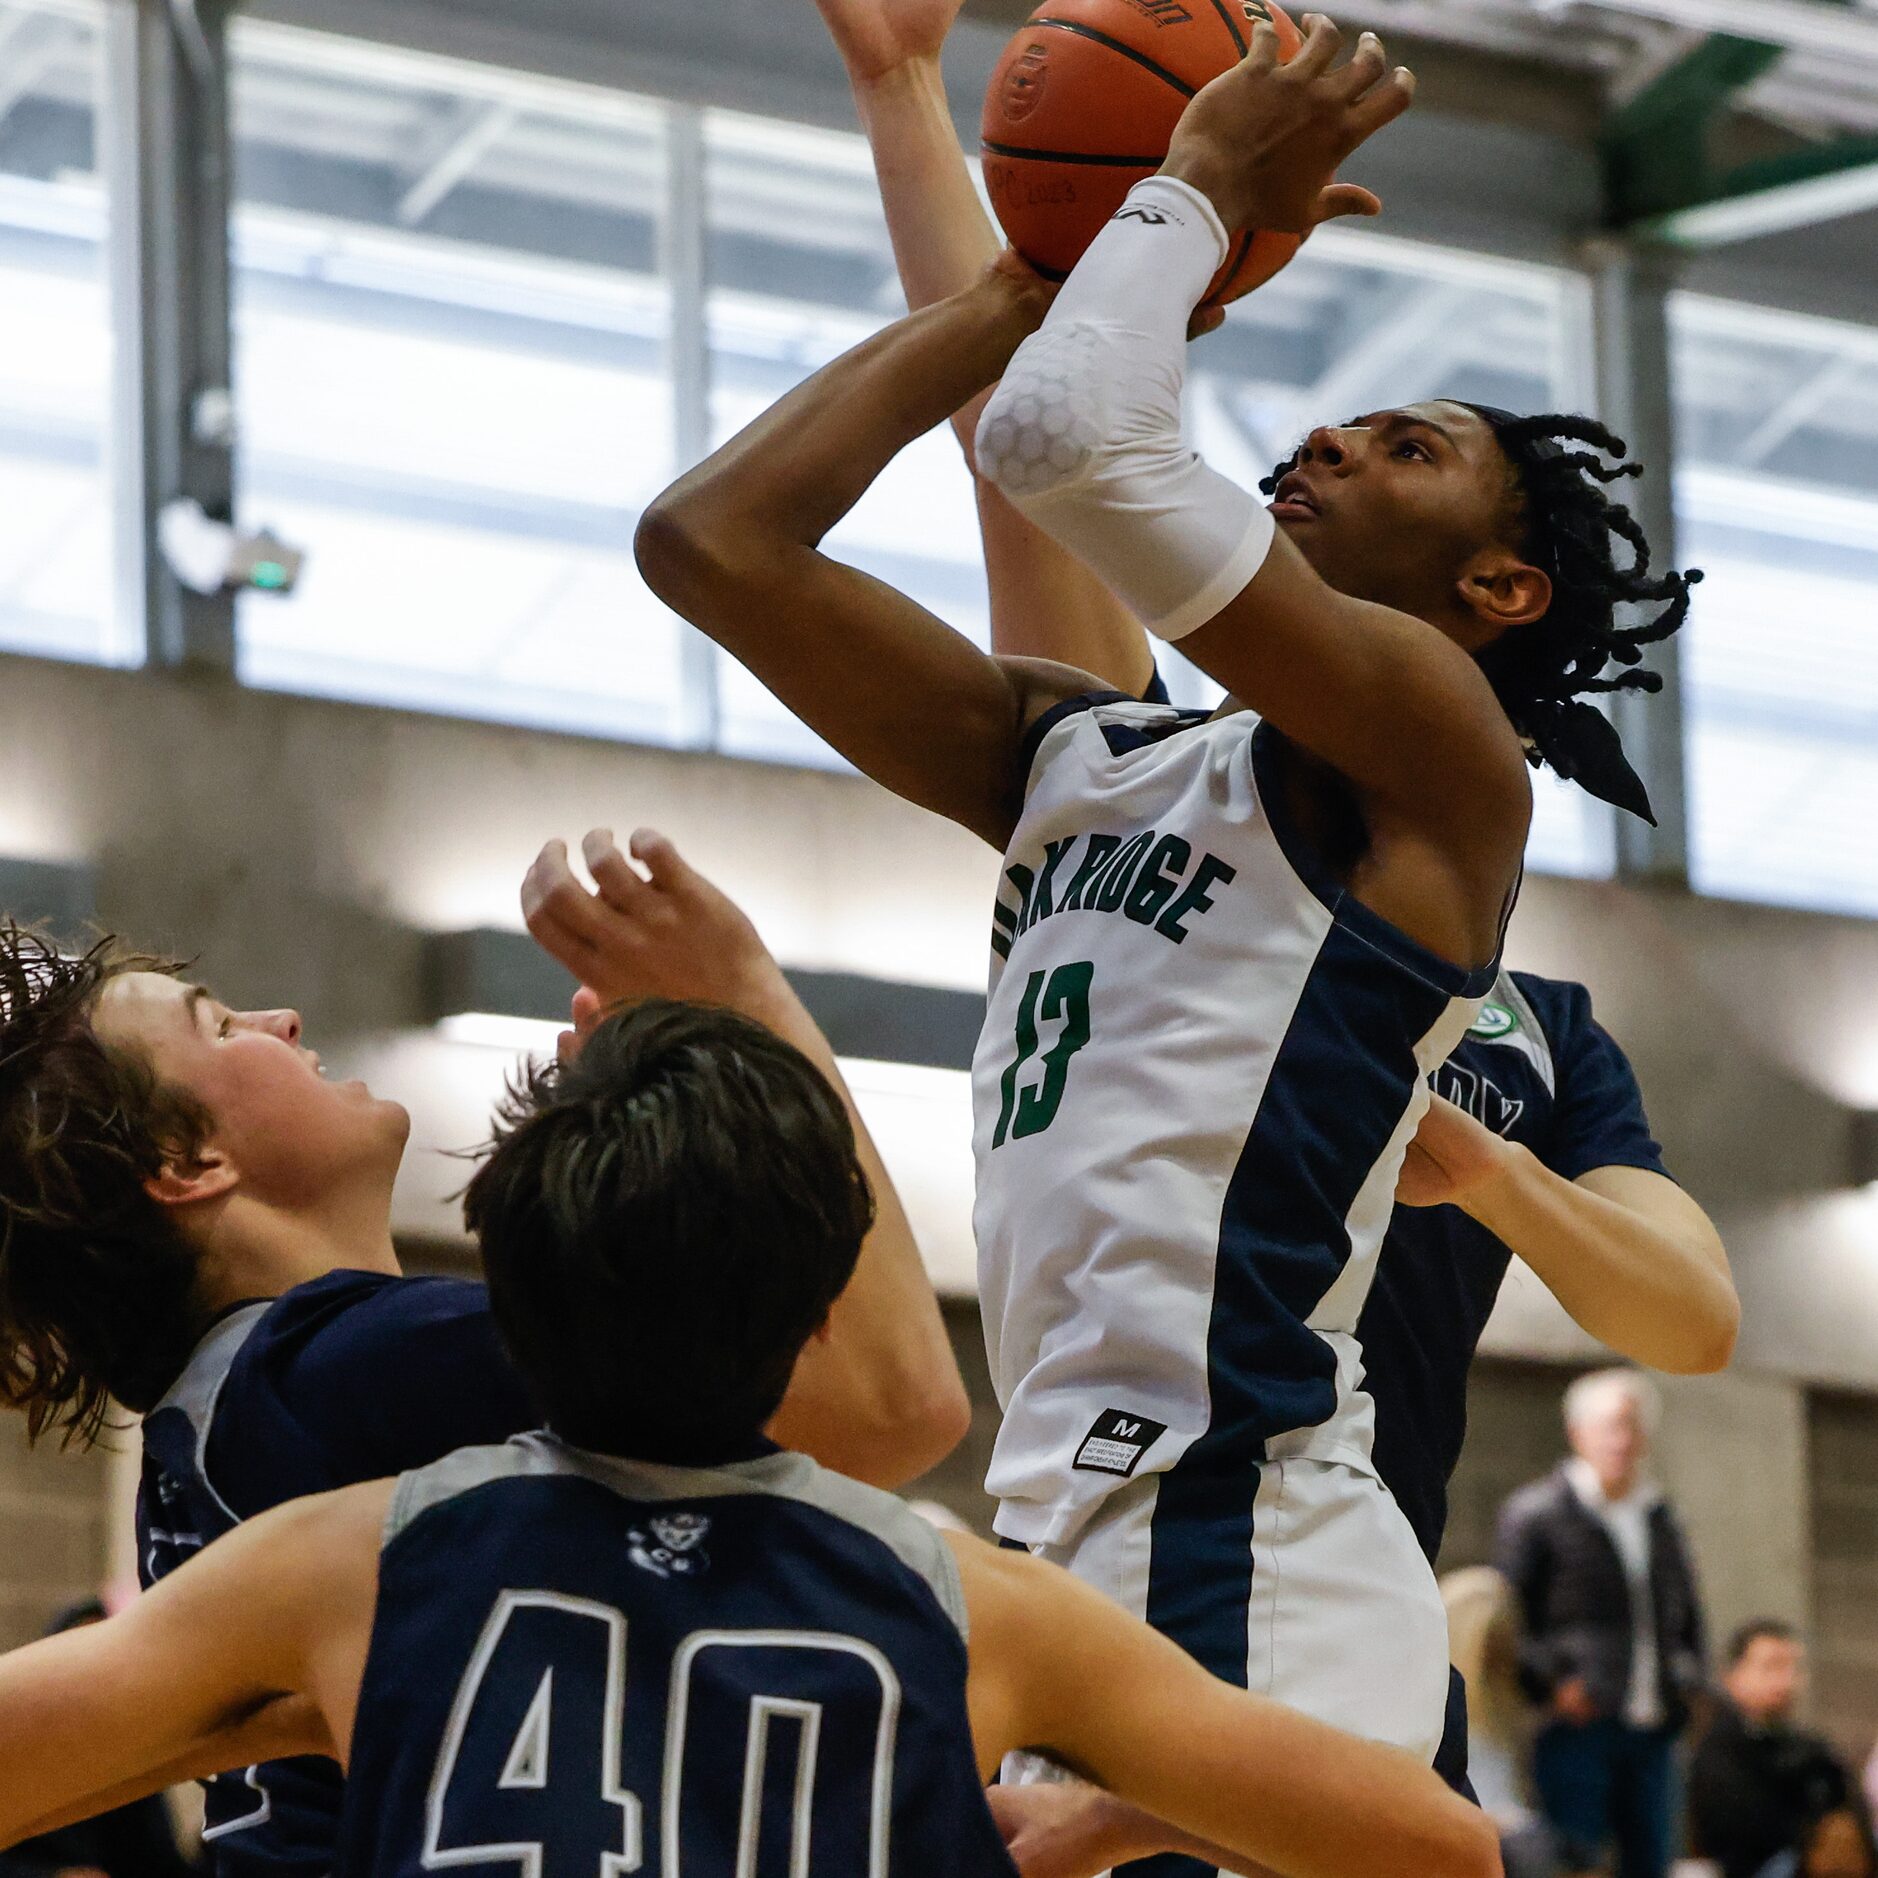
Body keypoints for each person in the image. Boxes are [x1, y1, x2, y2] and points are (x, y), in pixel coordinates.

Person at [634, 0, 1699, 1799]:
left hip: (1242, 1526)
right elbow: (711, 542)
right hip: (1083, 1514)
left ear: (1498, 588)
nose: (1336, 444)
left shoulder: (1437, 758)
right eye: (1342, 422)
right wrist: (1015, 284)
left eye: (1408, 450)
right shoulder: (1086, 748)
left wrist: (1185, 190)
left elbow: (1064, 447)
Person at [0, 1000, 1503, 1878]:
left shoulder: (353, 1574)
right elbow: (1440, 1849)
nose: (272, 1017)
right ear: (818, 1301)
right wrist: (1103, 1814)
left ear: (516, 1269)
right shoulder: (959, 1597)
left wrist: (265, 1708)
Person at [0, 834, 969, 1877]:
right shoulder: (348, 1368)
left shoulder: (238, 1412)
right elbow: (889, 1403)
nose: (283, 1020)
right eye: (226, 1027)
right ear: (185, 1163)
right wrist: (746, 1015)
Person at [1494, 1369, 1705, 1878]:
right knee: (1573, 1862)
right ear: (1578, 1433)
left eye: (1632, 1427)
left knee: (1651, 1862)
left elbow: (1688, 1614)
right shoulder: (1537, 1513)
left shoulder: (1660, 1516)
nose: (1622, 1440)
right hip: (1578, 1727)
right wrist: (1552, 1684)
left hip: (1653, 1727)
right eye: (1610, 1426)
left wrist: (1691, 1680)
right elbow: (1504, 1619)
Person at [0, 1601, 195, 1878]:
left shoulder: (129, 1759)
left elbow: (159, 1862)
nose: (92, 1671)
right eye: (77, 1653)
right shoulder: (17, 1745)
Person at [1689, 1621, 1852, 1878]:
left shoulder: (1809, 1747)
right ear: (1732, 1675)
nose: (1786, 1680)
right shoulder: (1717, 1746)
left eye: (1793, 1668)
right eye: (1771, 1666)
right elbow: (1741, 1830)